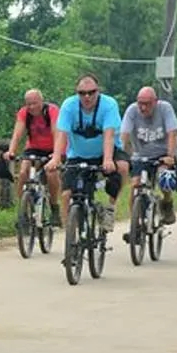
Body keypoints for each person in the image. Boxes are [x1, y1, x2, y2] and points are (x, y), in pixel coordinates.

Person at [46, 72, 128, 233]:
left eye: (92, 92)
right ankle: (68, 232)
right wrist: (56, 158)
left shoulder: (108, 105)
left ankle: (110, 208)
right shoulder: (69, 106)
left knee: (123, 167)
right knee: (66, 194)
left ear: (98, 91)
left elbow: (109, 135)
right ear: (77, 93)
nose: (87, 97)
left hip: (106, 152)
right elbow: (62, 135)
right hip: (78, 154)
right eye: (82, 93)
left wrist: (108, 159)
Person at [120, 85, 177, 227]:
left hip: (163, 154)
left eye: (147, 104)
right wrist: (120, 155)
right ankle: (135, 224)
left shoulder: (165, 108)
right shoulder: (132, 111)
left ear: (155, 102)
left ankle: (167, 203)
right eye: (140, 103)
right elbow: (124, 135)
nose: (143, 107)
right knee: (135, 184)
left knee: (165, 180)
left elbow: (172, 133)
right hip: (141, 155)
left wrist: (170, 156)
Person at [2, 89, 62, 226]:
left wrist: (56, 154)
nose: (32, 107)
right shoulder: (24, 113)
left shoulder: (51, 111)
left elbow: (57, 133)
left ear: (42, 101)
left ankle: (54, 208)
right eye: (28, 104)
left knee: (51, 173)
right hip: (33, 148)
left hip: (53, 147)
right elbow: (17, 134)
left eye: (35, 103)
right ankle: (22, 211)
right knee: (23, 172)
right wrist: (11, 151)